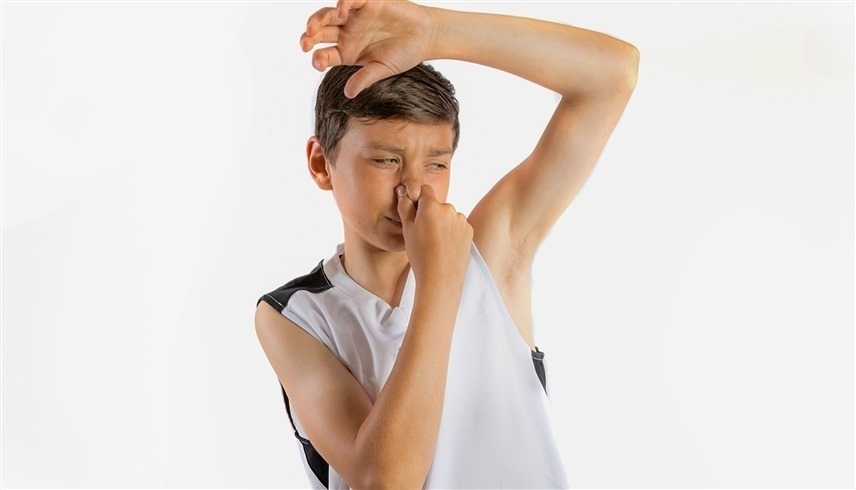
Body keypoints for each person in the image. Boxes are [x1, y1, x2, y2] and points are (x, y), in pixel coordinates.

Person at [255, 1, 638, 488]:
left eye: (436, 163)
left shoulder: (490, 255)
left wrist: (437, 32)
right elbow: (385, 480)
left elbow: (613, 74)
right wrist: (438, 282)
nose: (413, 188)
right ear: (320, 163)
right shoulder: (295, 315)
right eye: (385, 160)